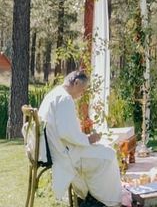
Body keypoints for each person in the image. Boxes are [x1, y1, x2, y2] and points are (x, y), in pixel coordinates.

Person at [38, 70, 122, 207]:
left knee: (103, 152)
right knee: (110, 155)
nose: (81, 94)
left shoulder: (54, 94)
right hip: (65, 155)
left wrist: (85, 138)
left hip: (60, 149)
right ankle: (105, 202)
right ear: (76, 82)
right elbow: (67, 133)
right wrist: (89, 139)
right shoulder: (64, 98)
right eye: (82, 90)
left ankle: (90, 197)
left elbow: (66, 131)